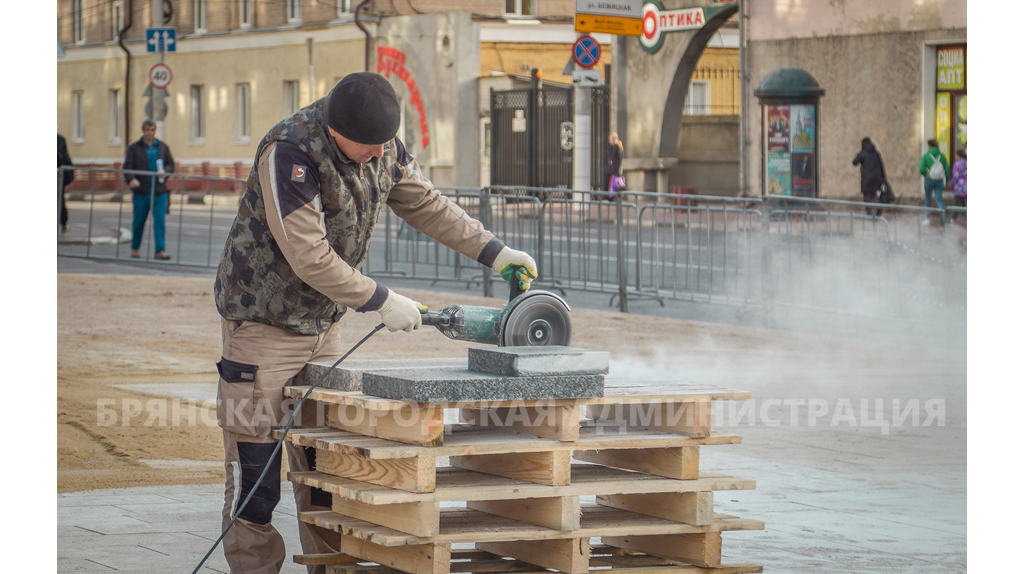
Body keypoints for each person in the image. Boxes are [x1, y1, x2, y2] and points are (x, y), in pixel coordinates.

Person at [212, 72, 537, 574]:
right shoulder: (289, 152)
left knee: (327, 470)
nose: (378, 155)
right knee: (257, 477)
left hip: (325, 327)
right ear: (336, 130)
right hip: (264, 330)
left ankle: (327, 567)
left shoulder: (382, 146)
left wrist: (494, 252)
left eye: (385, 145)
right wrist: (380, 300)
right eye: (368, 147)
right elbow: (309, 256)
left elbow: (427, 204)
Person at [123, 119, 175, 259]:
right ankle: (135, 248)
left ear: (155, 131)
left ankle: (160, 250)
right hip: (142, 191)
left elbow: (171, 164)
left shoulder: (162, 147)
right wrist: (131, 179)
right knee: (139, 221)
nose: (149, 133)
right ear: (143, 130)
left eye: (152, 130)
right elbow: (127, 166)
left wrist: (166, 171)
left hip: (159, 191)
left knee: (160, 222)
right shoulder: (134, 148)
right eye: (147, 130)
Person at [917, 138, 950, 224]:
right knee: (938, 199)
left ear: (929, 145)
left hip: (929, 180)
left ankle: (927, 219)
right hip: (939, 181)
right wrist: (947, 180)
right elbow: (947, 169)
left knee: (928, 199)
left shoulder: (926, 156)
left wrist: (926, 174)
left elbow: (921, 168)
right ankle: (944, 218)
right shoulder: (942, 156)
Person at [852, 137, 887, 216]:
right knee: (874, 194)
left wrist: (859, 154)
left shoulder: (862, 153)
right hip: (876, 179)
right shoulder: (876, 153)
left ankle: (870, 213)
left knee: (867, 195)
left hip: (866, 179)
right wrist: (883, 179)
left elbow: (854, 162)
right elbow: (881, 166)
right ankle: (878, 205)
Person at [58, 133, 75, 234]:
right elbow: (65, 157)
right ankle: (63, 224)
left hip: (58, 177)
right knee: (60, 201)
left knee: (59, 200)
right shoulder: (60, 139)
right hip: (59, 177)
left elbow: (63, 157)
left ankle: (63, 223)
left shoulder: (59, 140)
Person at [605, 131, 624, 199]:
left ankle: (613, 197)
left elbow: (618, 160)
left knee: (614, 184)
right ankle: (610, 196)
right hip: (610, 169)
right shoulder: (611, 147)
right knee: (610, 184)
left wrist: (618, 172)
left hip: (614, 170)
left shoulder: (618, 147)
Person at [950, 149, 966, 222]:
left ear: (958, 155)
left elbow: (955, 177)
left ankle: (953, 218)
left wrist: (950, 184)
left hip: (959, 187)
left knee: (957, 203)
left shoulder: (956, 164)